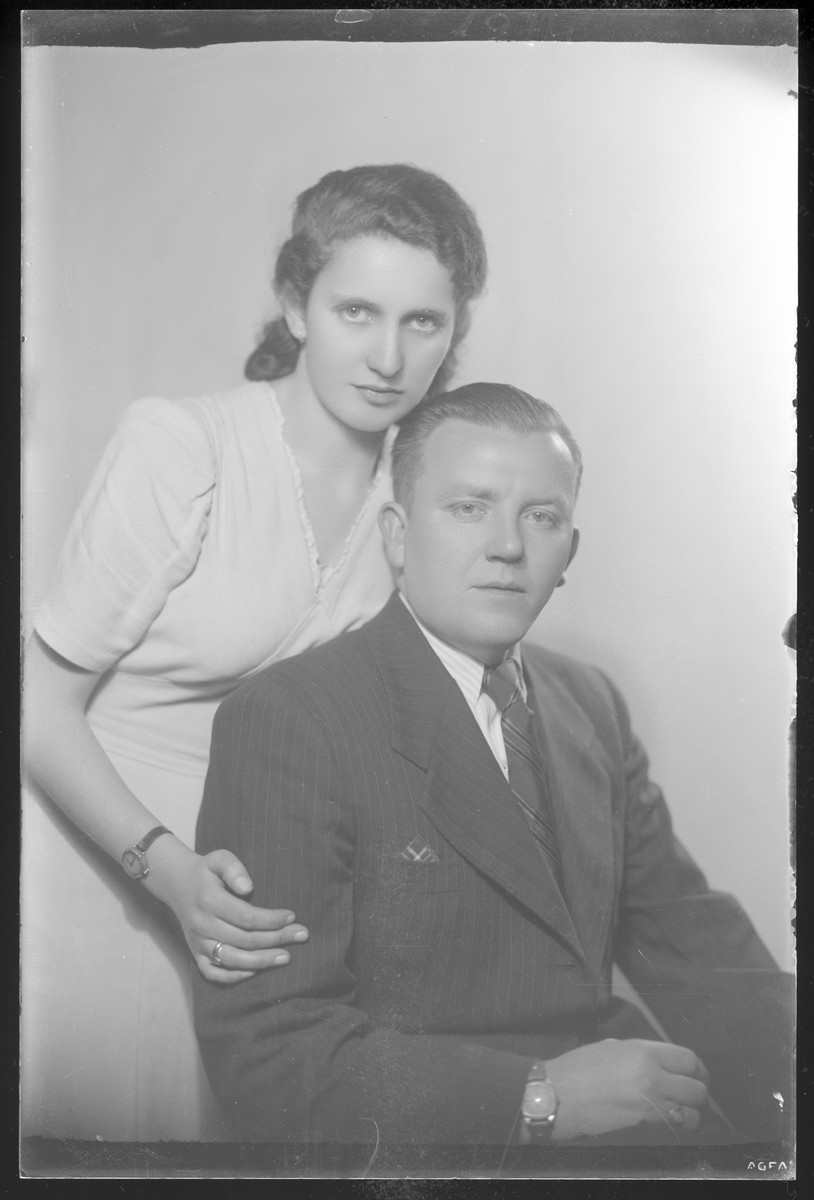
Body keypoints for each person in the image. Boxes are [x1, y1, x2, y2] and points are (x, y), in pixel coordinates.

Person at [193, 383, 792, 1157]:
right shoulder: (294, 717)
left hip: (639, 1127)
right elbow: (273, 1059)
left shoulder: (588, 702)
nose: (508, 546)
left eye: (541, 518)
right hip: (451, 1152)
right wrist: (538, 1097)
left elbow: (703, 958)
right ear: (398, 536)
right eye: (469, 507)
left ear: (568, 553)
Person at [22, 164, 487, 1142]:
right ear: (295, 303)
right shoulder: (182, 444)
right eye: (356, 310)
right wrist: (167, 871)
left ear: (454, 334)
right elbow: (35, 702)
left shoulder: (414, 495)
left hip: (261, 910)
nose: (388, 356)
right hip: (89, 870)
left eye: (423, 323)